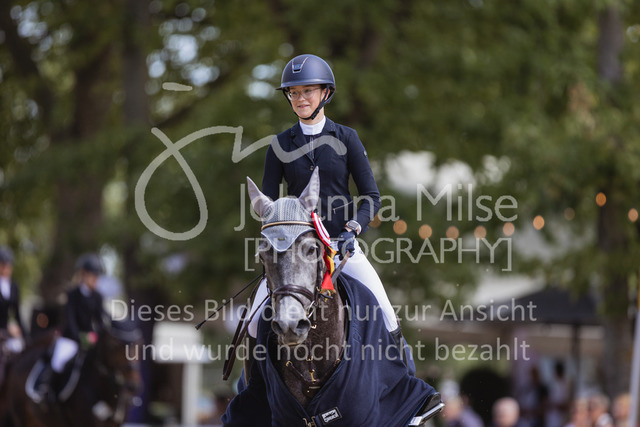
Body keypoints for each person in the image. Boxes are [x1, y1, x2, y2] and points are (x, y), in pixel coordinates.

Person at [247, 53, 406, 363]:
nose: (300, 99)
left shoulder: (347, 138)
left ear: (325, 93)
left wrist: (352, 229)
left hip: (340, 248)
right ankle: (252, 389)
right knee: (253, 321)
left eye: (307, 91)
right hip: (296, 253)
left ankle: (408, 385)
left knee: (387, 313)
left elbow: (371, 196)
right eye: (294, 93)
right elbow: (269, 205)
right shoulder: (280, 144)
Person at [39, 252, 106, 402]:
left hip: (89, 340)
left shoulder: (98, 297)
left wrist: (95, 336)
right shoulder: (72, 294)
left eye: (97, 276)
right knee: (59, 360)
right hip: (70, 338)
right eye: (93, 275)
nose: (96, 279)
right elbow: (70, 320)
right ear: (84, 274)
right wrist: (79, 338)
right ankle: (48, 391)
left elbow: (100, 320)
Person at [0, 246, 26, 346]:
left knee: (18, 347)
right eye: (4, 265)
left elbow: (16, 313)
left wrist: (24, 334)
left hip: (6, 332)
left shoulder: (14, 286)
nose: (7, 268)